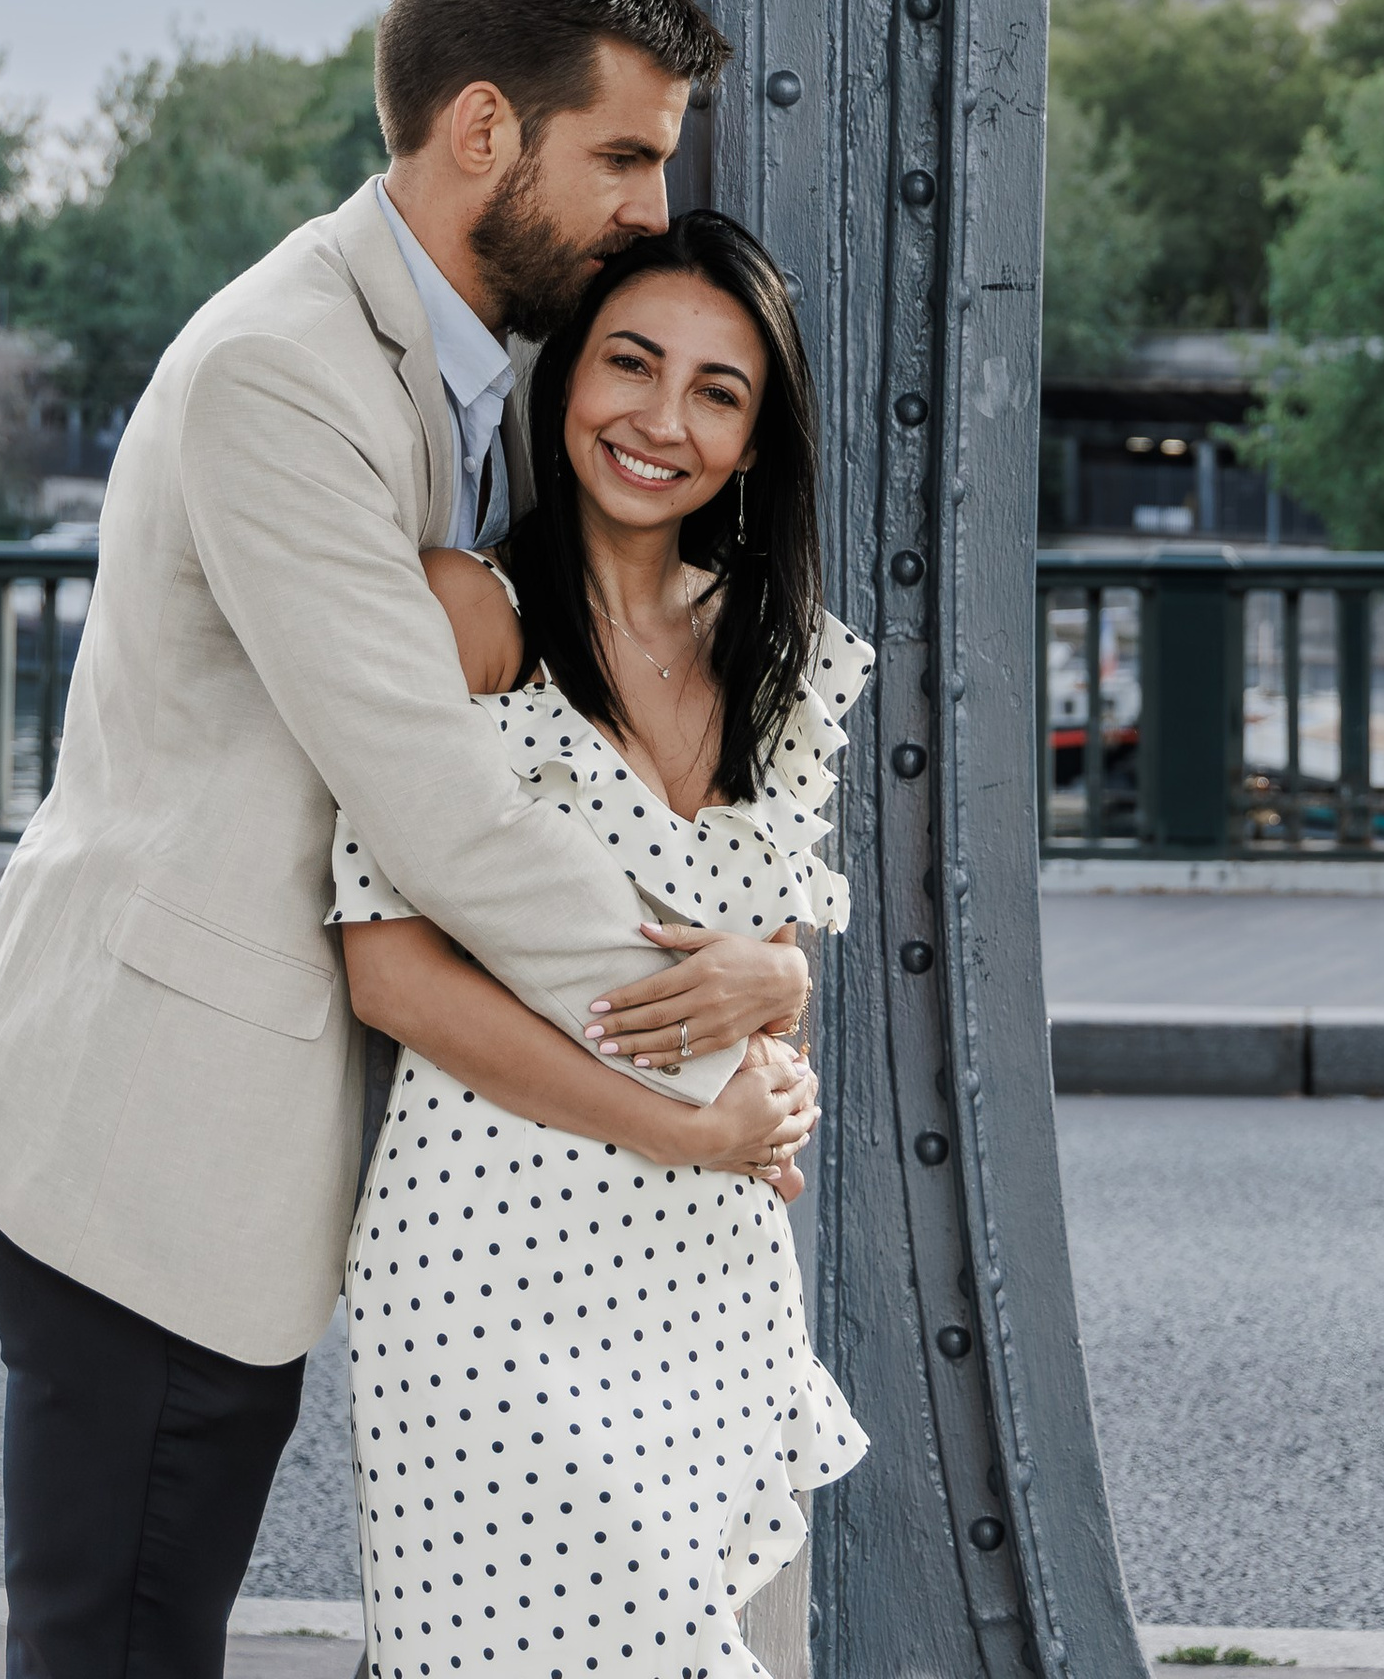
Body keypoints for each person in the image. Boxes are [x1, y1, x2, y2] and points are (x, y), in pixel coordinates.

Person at [0, 0, 822, 1679]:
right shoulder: (287, 373)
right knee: (121, 1645)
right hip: (145, 1129)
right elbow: (437, 807)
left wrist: (771, 965)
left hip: (265, 1122)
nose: (653, 206)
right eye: (625, 155)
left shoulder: (478, 368)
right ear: (486, 131)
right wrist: (720, 1054)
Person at [332, 211, 870, 1679]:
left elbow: (751, 989)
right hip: (494, 1272)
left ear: (756, 443)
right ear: (564, 378)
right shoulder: (471, 619)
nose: (661, 419)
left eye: (717, 391)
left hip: (704, 1283)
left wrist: (788, 977)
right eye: (630, 364)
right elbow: (387, 969)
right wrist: (682, 1131)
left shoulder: (779, 657)